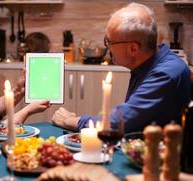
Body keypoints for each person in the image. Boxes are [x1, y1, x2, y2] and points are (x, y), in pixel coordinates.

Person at [52, 3, 191, 133]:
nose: (107, 47)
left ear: (133, 48)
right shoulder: (148, 62)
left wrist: (69, 120)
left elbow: (117, 123)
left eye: (110, 41)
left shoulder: (166, 73)